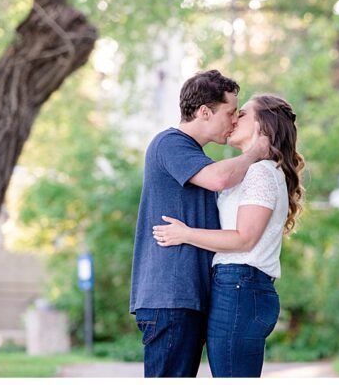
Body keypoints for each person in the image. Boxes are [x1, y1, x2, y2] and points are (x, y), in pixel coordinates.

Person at [152, 94, 304, 377]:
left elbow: (243, 239)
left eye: (242, 114)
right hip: (238, 286)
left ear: (263, 126)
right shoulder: (254, 171)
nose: (234, 119)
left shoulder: (261, 172)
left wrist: (185, 234)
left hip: (240, 285)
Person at [128, 70, 269, 377]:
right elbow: (220, 179)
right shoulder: (169, 143)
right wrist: (256, 152)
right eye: (230, 112)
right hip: (170, 298)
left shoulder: (195, 155)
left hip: (187, 298)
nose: (234, 120)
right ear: (205, 112)